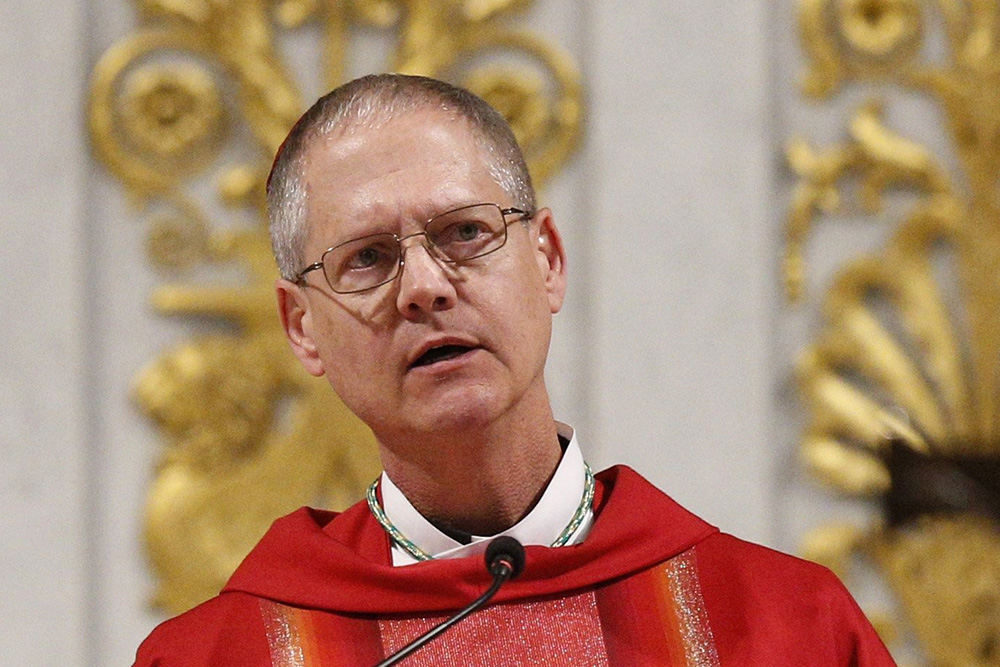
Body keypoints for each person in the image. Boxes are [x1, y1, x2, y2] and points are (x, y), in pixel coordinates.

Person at [134, 73, 897, 666]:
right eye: (366, 258)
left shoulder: (784, 628)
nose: (426, 285)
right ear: (303, 326)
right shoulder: (225, 653)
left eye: (465, 232)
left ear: (549, 261)